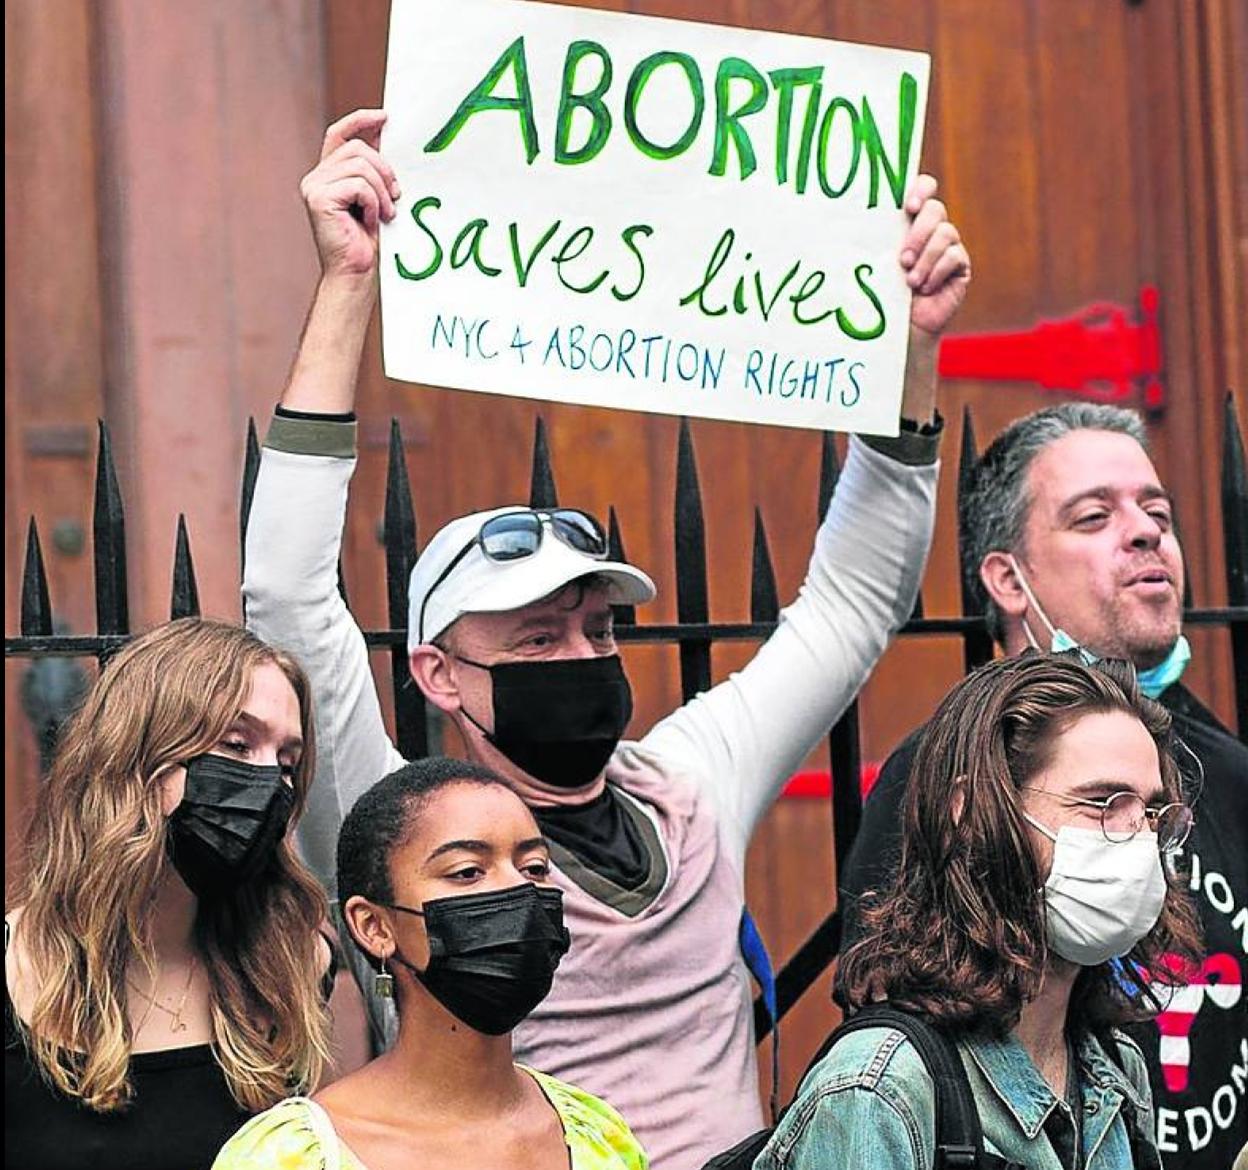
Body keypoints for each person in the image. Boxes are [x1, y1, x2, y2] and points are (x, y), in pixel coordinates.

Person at [242, 107, 971, 1168]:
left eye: (596, 629)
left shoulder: (689, 784)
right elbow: (288, 598)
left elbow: (853, 601)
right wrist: (349, 281)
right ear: (439, 673)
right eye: (536, 640)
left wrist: (911, 347)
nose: (582, 660)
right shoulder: (389, 823)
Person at [840, 402, 1248, 1170]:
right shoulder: (944, 775)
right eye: (1093, 516)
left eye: (1155, 510)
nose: (1145, 531)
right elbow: (888, 1014)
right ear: (1008, 578)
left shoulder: (1230, 774)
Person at [756, 652, 1202, 1169]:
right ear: (969, 815)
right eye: (1102, 803)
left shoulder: (1115, 1070)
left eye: (1152, 812)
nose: (1138, 840)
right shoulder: (880, 1091)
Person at [4, 618, 333, 1170]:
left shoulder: (294, 964)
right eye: (236, 743)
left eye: (286, 763)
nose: (268, 784)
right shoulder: (15, 962)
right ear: (138, 755)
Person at [213, 756, 646, 1169]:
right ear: (374, 926)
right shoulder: (292, 1157)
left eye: (534, 867)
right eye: (467, 871)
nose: (519, 889)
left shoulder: (598, 1135)